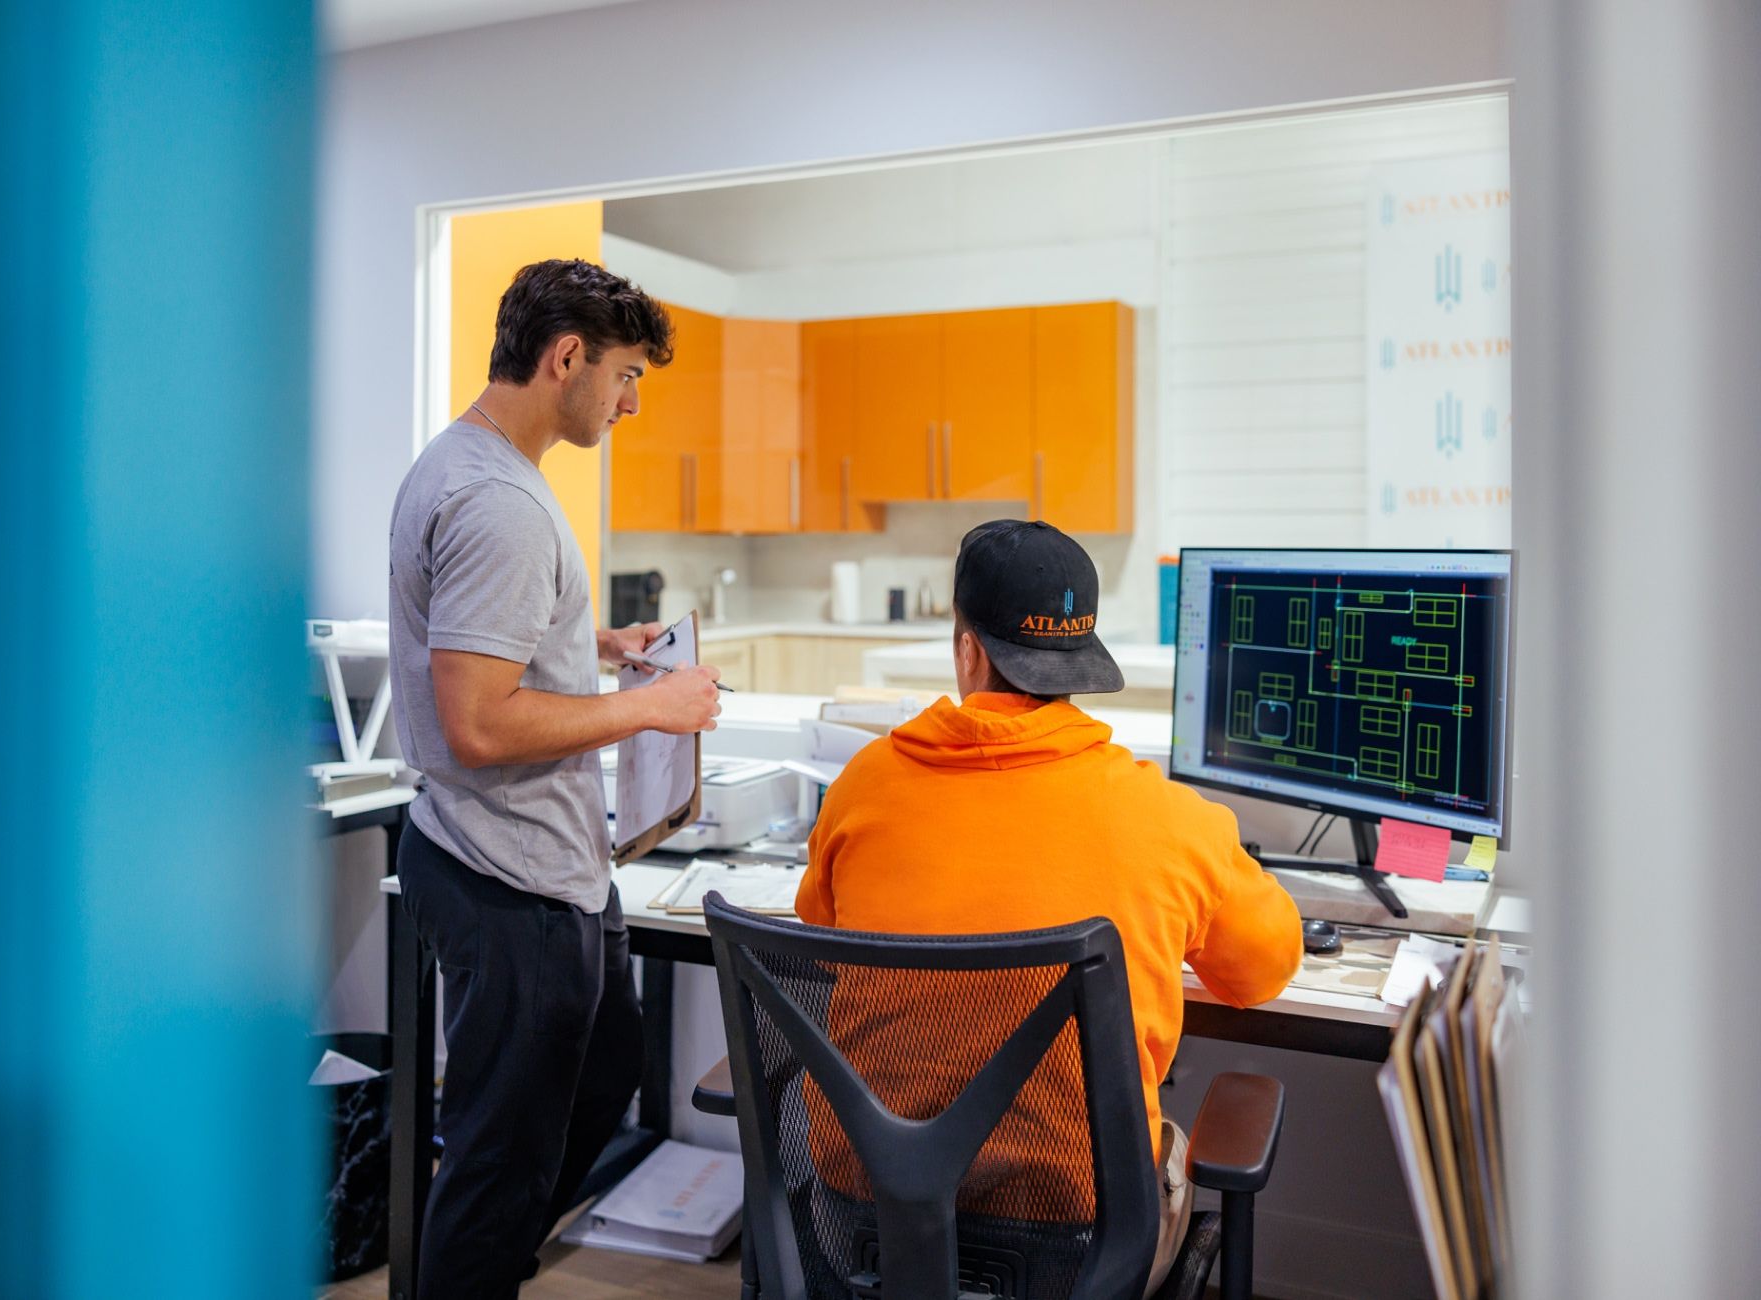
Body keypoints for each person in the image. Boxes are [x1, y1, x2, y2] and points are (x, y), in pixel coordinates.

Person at [796, 519, 1303, 1291]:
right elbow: (1262, 974)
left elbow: (821, 927)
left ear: (968, 649)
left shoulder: (864, 785)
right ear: (1082, 658)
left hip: (865, 1214)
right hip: (1077, 1240)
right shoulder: (1171, 821)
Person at [388, 258, 721, 1298]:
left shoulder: (470, 464)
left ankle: (483, 1264)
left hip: (528, 863)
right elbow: (479, 722)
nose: (628, 403)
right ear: (566, 358)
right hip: (511, 875)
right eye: (624, 376)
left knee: (594, 1084)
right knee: (497, 1166)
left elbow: (492, 659)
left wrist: (592, 649)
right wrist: (652, 706)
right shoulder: (502, 507)